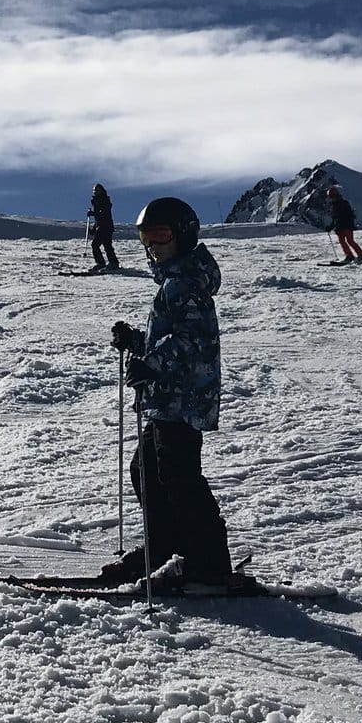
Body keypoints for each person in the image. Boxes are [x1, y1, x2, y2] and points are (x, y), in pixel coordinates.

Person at [103, 195, 233, 588]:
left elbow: (191, 339)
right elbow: (170, 338)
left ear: (183, 235)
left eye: (161, 234)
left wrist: (152, 363)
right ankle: (163, 548)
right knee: (146, 471)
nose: (152, 245)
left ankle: (209, 562)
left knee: (179, 477)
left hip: (184, 398)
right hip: (166, 397)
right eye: (146, 236)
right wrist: (138, 343)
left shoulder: (184, 283)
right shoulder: (175, 281)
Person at [325, 184, 362, 264]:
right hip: (340, 227)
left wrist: (345, 224)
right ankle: (350, 256)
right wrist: (331, 227)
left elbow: (347, 215)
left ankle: (361, 256)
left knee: (350, 241)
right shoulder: (335, 206)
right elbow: (335, 219)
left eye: (332, 196)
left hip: (345, 226)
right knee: (343, 241)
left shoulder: (343, 203)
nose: (331, 198)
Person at [87, 182, 118, 272]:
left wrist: (93, 213)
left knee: (96, 245)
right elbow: (98, 218)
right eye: (94, 190)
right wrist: (93, 230)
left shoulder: (104, 200)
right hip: (104, 226)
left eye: (96, 190)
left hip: (105, 226)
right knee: (106, 245)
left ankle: (103, 263)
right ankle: (112, 262)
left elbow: (104, 213)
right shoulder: (97, 201)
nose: (95, 192)